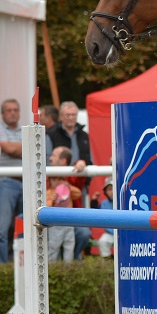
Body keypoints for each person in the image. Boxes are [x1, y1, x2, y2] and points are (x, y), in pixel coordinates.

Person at [47, 101, 92, 259]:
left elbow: (88, 161)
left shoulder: (84, 135)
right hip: (54, 208)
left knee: (82, 233)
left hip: (77, 184)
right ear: (61, 117)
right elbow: (47, 161)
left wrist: (82, 169)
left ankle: (74, 264)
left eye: (73, 115)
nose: (71, 118)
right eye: (67, 115)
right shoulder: (51, 133)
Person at [0, 99, 23, 263]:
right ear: (2, 114)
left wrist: (13, 147)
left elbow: (37, 149)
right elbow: (8, 149)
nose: (12, 113)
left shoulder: (26, 129)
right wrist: (23, 147)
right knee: (0, 229)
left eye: (15, 110)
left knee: (30, 227)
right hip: (6, 182)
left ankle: (26, 264)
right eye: (9, 110)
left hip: (27, 181)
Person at [45, 146, 81, 262]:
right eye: (54, 179)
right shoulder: (49, 191)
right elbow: (46, 205)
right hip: (55, 223)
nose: (57, 182)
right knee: (53, 247)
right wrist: (52, 200)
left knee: (69, 245)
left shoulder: (67, 187)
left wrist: (68, 187)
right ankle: (53, 269)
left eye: (60, 179)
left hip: (68, 221)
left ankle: (68, 269)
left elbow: (78, 194)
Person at [96, 176, 115, 258]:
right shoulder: (104, 203)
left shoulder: (124, 201)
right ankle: (107, 261)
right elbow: (103, 220)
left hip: (124, 233)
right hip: (110, 233)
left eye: (113, 188)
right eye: (109, 189)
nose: (112, 192)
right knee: (102, 241)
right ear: (105, 192)